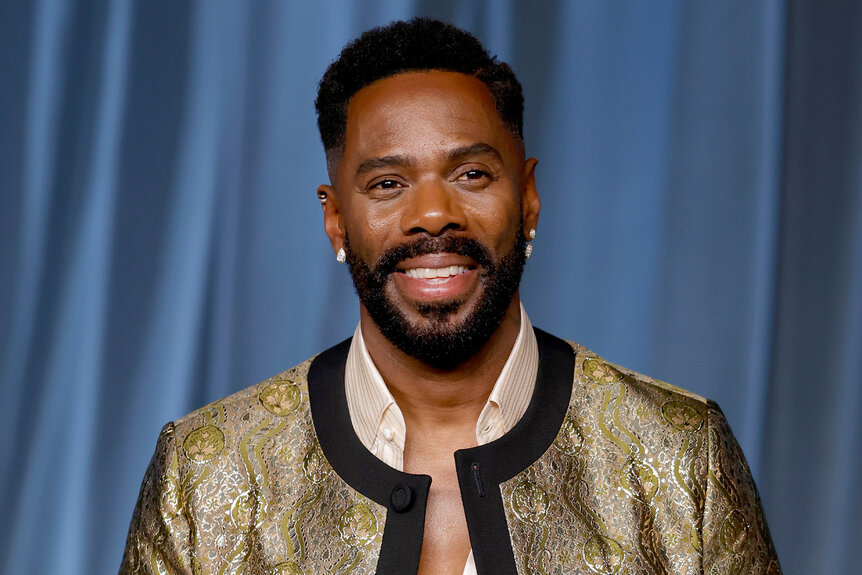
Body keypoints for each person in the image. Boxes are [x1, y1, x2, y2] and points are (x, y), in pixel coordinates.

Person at [120, 18, 780, 575]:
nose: (434, 214)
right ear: (334, 220)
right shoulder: (207, 474)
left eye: (471, 173)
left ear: (527, 199)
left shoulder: (676, 453)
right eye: (386, 184)